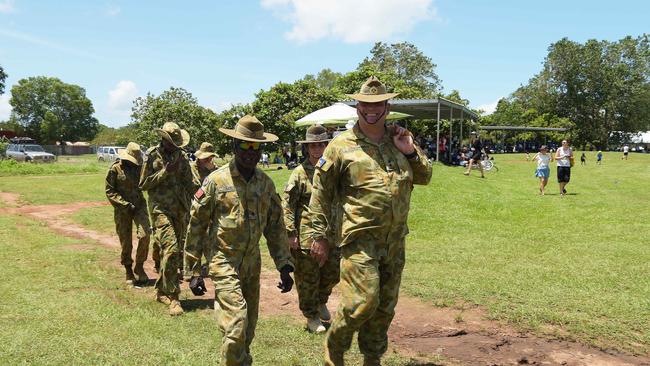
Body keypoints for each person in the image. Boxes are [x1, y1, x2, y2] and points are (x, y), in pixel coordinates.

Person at [308, 76, 432, 366]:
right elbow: (321, 193)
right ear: (358, 107)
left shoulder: (399, 139)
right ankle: (335, 345)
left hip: (394, 240)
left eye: (378, 104)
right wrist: (319, 235)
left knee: (384, 308)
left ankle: (372, 358)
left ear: (387, 106)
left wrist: (410, 151)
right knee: (361, 303)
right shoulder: (340, 146)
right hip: (359, 240)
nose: (371, 109)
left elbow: (425, 177)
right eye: (365, 104)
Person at [184, 115, 295, 366]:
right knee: (236, 325)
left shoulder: (265, 184)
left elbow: (276, 227)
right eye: (245, 145)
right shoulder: (215, 181)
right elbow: (196, 226)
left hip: (252, 265)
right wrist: (193, 270)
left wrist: (284, 265)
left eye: (255, 146)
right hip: (223, 261)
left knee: (248, 328)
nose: (250, 152)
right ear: (235, 146)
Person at [283, 125, 339, 334]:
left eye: (321, 145)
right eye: (313, 146)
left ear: (326, 146)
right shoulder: (299, 173)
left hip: (332, 232)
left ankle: (321, 300)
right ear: (307, 148)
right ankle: (311, 316)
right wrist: (290, 233)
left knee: (334, 271)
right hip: (306, 235)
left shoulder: (332, 170)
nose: (317, 149)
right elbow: (288, 204)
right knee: (308, 278)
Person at [139, 122, 194, 316]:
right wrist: (165, 172)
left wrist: (208, 197)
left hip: (180, 210)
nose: (175, 147)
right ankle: (174, 297)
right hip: (160, 210)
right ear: (164, 140)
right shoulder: (152, 155)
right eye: (172, 143)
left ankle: (161, 291)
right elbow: (144, 184)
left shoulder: (182, 157)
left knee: (174, 251)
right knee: (170, 248)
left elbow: (191, 183)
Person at [105, 142, 151, 285]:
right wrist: (124, 204)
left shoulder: (141, 168)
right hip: (122, 209)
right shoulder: (115, 169)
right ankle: (128, 269)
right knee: (126, 241)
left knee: (145, 235)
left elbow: (146, 184)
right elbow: (110, 191)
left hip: (139, 206)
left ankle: (139, 266)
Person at [185, 142, 218, 278]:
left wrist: (212, 170)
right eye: (205, 158)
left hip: (209, 212)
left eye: (210, 158)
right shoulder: (190, 169)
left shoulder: (215, 171)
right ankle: (193, 271)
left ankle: (208, 267)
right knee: (193, 241)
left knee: (209, 242)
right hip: (191, 210)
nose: (208, 160)